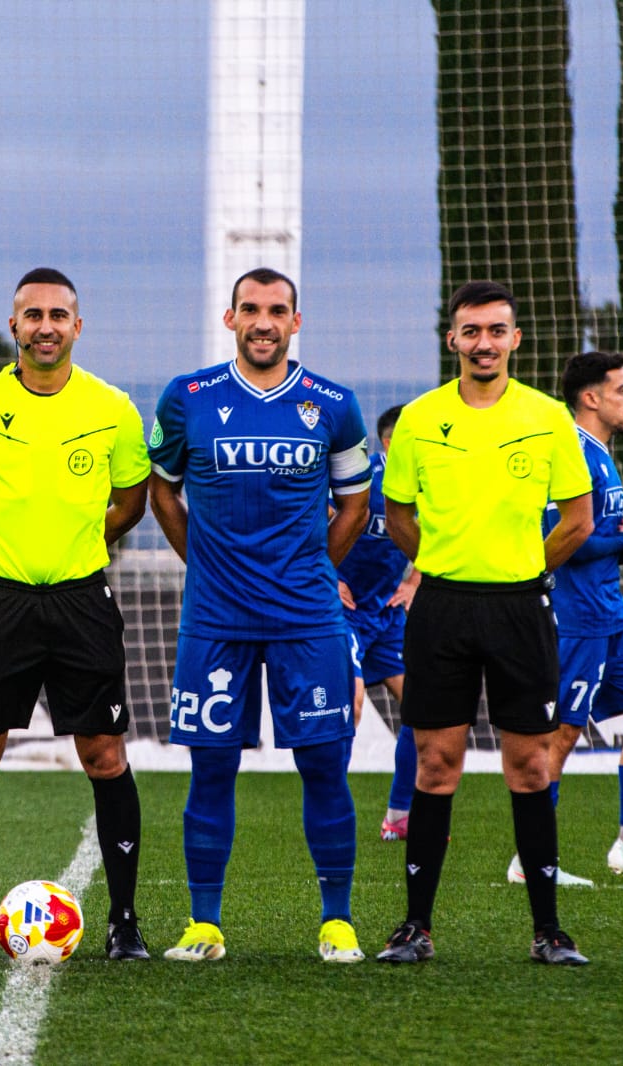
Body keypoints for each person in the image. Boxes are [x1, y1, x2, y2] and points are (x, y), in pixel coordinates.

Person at [148, 267, 372, 964]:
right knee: (209, 768)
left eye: (277, 310)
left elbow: (356, 506)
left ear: (296, 321)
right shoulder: (187, 398)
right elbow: (163, 494)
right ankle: (203, 924)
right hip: (214, 620)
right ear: (230, 318)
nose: (264, 322)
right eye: (251, 309)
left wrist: (314, 571)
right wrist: (209, 567)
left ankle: (336, 922)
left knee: (325, 765)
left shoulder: (335, 404)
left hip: (307, 619)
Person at [0, 267, 152, 962]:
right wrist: (1, 537)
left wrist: (80, 540)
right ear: (14, 327)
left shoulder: (112, 407)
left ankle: (123, 925)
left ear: (77, 327)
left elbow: (132, 502)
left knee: (104, 755)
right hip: (0, 602)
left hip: (84, 601)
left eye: (59, 315)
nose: (46, 326)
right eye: (34, 315)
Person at [375, 280, 595, 967]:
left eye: (496, 331)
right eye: (471, 331)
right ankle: (415, 928)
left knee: (530, 764)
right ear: (453, 340)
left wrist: (526, 568)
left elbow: (579, 520)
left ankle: (549, 931)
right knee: (436, 765)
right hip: (440, 608)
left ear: (515, 340)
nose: (484, 344)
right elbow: (399, 517)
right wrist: (444, 564)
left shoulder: (549, 418)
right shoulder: (418, 418)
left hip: (521, 610)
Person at [502, 351, 623, 883]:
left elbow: (597, 535)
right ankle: (530, 861)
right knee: (560, 735)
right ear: (591, 397)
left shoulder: (602, 452)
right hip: (576, 619)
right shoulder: (569, 451)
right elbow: (561, 541)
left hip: (611, 614)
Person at [336, 405, 422, 842]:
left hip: (387, 616)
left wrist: (414, 580)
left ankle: (399, 815)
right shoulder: (361, 479)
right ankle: (334, 817)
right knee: (348, 707)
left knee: (423, 710)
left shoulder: (424, 484)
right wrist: (328, 576)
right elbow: (309, 518)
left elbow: (441, 536)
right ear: (391, 442)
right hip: (346, 613)